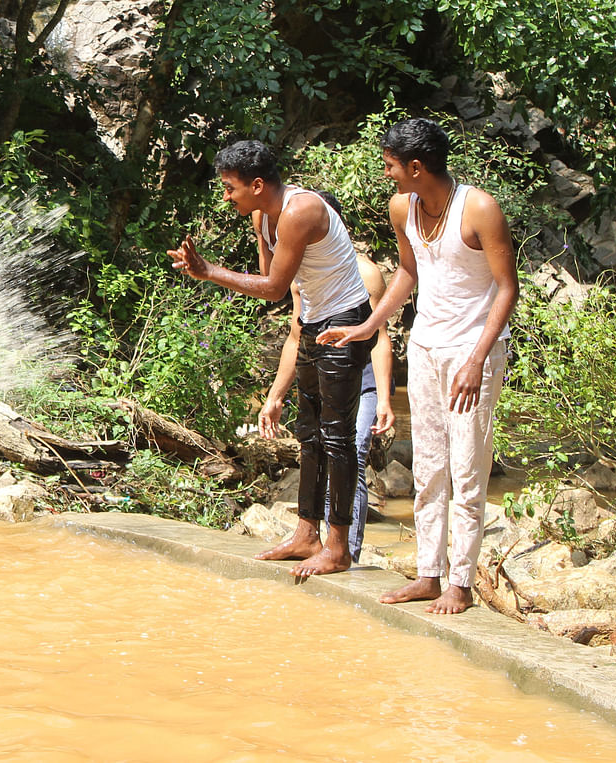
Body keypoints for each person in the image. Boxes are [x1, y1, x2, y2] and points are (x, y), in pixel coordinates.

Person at [317, 118, 518, 614]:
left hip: (475, 353)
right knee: (429, 468)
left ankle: (461, 584)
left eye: (391, 166)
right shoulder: (401, 207)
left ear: (416, 166)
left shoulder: (479, 208)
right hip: (426, 348)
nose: (386, 174)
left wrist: (477, 359)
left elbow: (507, 289)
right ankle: (429, 574)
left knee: (468, 470)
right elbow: (408, 273)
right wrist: (367, 328)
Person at [168, 140, 376, 577]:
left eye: (230, 189)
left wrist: (208, 271)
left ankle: (337, 547)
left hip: (345, 320)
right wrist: (260, 229)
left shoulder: (301, 211)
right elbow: (268, 276)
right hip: (314, 321)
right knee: (309, 433)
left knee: (337, 436)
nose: (226, 198)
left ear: (257, 184)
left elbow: (275, 288)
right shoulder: (265, 213)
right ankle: (306, 533)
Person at [258, 244, 395, 561]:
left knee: (353, 452)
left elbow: (381, 338)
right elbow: (295, 336)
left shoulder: (366, 272)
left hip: (362, 374)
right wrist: (275, 396)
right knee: (315, 448)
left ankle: (347, 552)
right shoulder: (299, 276)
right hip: (318, 370)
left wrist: (385, 399)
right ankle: (309, 539)